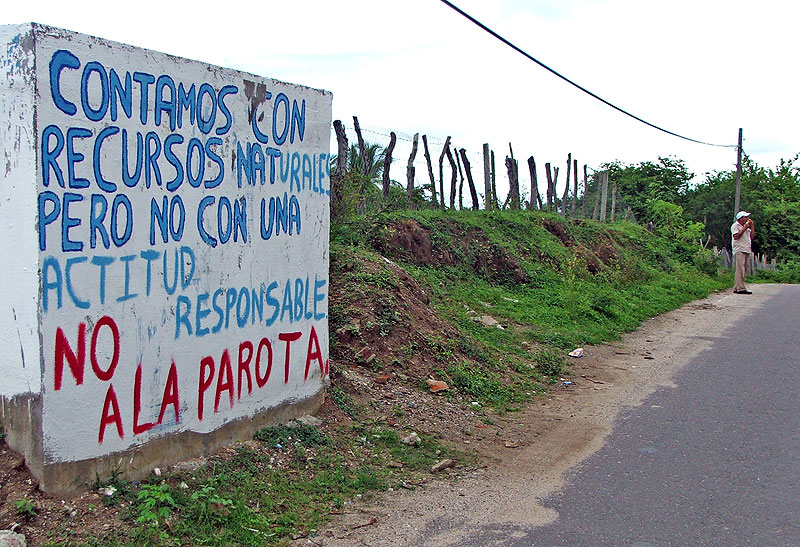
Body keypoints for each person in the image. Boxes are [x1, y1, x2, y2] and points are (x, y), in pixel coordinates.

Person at [731, 211, 754, 294]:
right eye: (745, 217)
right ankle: (740, 288)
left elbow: (752, 236)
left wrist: (751, 226)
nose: (747, 219)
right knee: (740, 269)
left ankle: (737, 287)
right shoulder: (735, 226)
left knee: (744, 269)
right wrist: (745, 227)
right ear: (740, 218)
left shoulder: (746, 227)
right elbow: (736, 236)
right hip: (739, 249)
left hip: (746, 249)